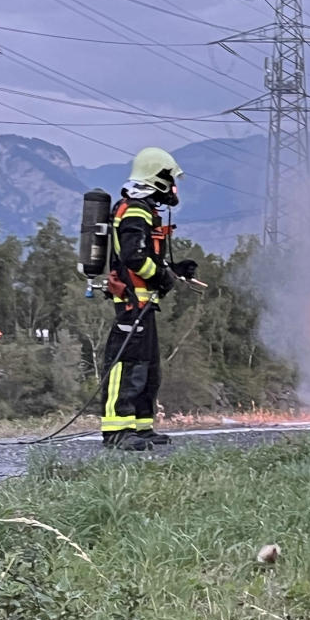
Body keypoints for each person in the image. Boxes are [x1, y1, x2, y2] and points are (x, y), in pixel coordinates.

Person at [100, 147, 197, 451]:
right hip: (132, 303)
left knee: (148, 366)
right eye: (170, 178)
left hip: (143, 304)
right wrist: (161, 277)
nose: (173, 186)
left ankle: (141, 426)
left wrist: (173, 270)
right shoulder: (136, 209)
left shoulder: (144, 209)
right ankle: (116, 429)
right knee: (127, 363)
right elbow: (134, 257)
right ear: (158, 177)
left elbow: (147, 258)